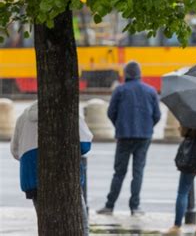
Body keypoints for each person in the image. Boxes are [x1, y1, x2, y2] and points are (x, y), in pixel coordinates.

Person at [10, 101, 93, 235]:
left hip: (32, 176)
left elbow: (15, 151)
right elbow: (84, 145)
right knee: (80, 225)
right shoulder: (68, 110)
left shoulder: (24, 116)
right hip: (64, 175)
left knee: (47, 225)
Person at [97, 61, 161, 216]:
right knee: (138, 172)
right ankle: (135, 207)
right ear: (140, 73)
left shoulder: (120, 90)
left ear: (126, 74)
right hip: (144, 136)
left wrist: (119, 126)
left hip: (124, 135)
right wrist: (147, 127)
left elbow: (111, 112)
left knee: (119, 172)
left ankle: (109, 205)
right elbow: (157, 115)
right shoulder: (151, 91)